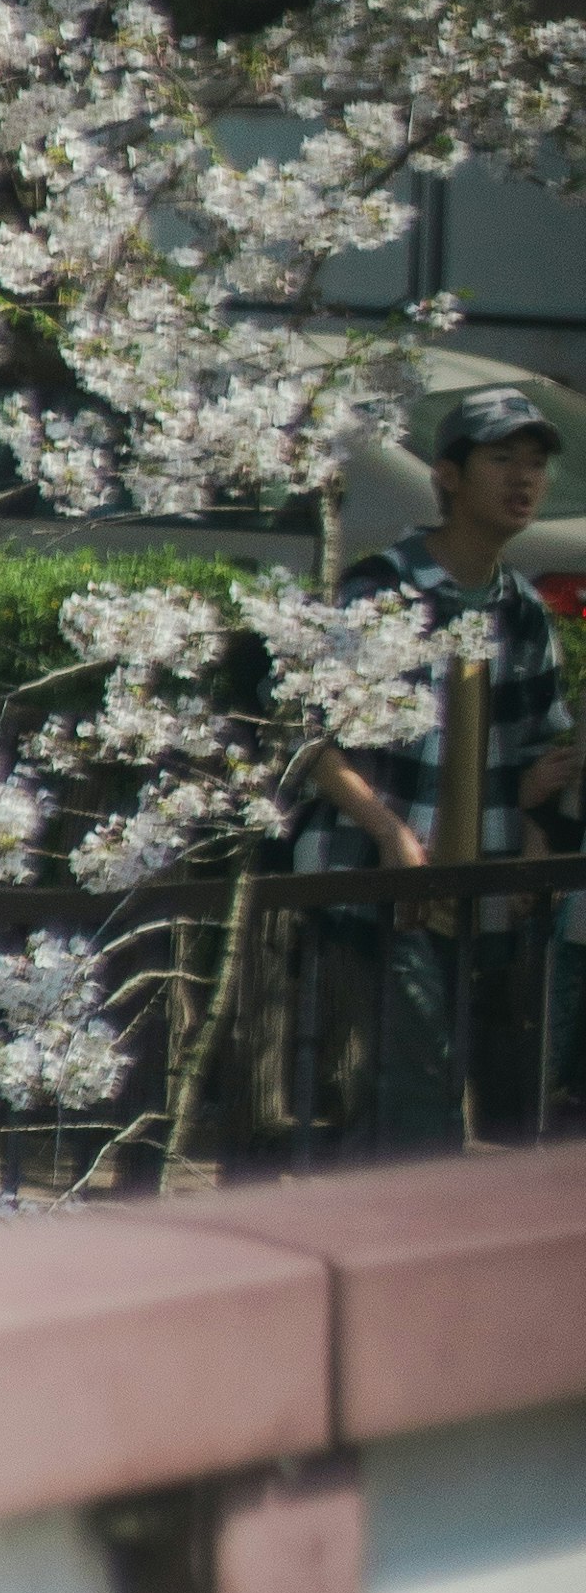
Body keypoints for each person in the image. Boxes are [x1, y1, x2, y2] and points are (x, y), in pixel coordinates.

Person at [300, 386, 582, 1142]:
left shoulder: (520, 608)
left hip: (477, 879)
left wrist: (531, 831)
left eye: (535, 465)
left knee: (439, 1077)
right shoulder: (381, 588)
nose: (523, 480)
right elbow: (307, 738)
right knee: (415, 1087)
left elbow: (533, 747)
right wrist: (388, 831)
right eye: (502, 460)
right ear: (449, 477)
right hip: (378, 874)